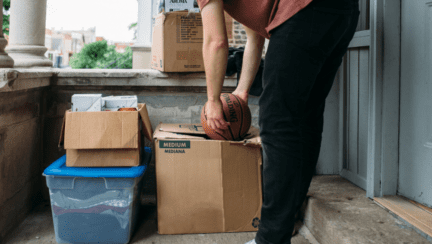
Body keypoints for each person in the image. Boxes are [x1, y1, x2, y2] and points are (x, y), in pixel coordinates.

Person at [197, 0, 360, 243]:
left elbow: (216, 42)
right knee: (305, 117)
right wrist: (241, 92)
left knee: (278, 122)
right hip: (342, 12)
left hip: (303, 12)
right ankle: (286, 218)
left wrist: (212, 100)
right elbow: (255, 38)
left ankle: (271, 238)